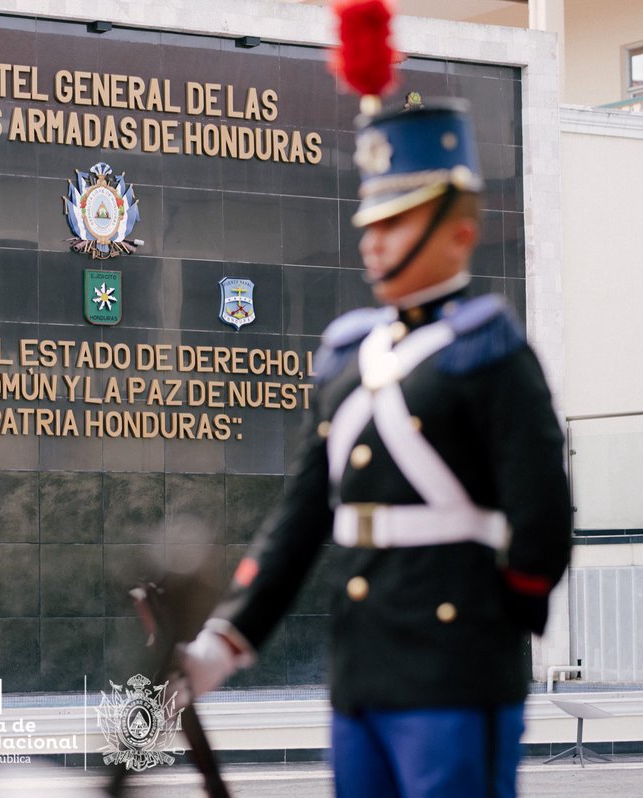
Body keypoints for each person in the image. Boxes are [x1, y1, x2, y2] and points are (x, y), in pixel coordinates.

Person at [179, 98, 572, 798]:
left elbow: (541, 516)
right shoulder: (344, 357)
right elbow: (298, 522)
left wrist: (490, 621)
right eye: (369, 222)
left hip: (456, 665)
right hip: (361, 669)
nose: (372, 241)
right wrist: (222, 643)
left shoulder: (491, 351)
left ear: (460, 231)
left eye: (396, 222)